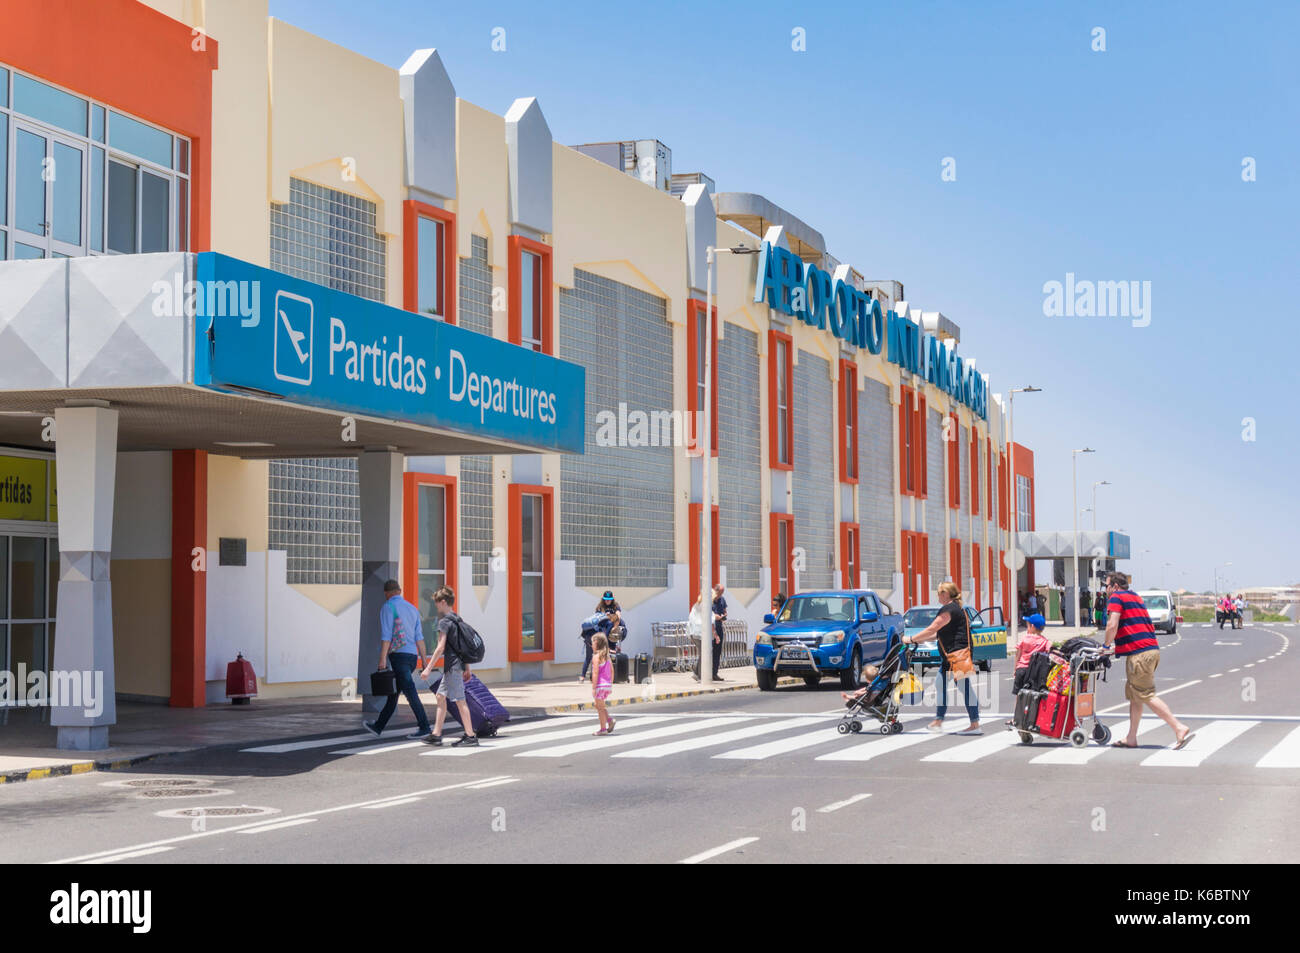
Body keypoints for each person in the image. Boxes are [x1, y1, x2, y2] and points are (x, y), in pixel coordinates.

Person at [1102, 572, 1192, 750]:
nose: (1106, 589)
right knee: (1136, 696)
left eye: (1107, 585)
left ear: (1115, 586)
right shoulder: (1135, 596)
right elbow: (1135, 626)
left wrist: (1105, 646)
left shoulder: (1116, 597)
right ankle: (1131, 738)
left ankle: (1178, 727)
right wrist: (1118, 647)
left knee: (1145, 694)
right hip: (1150, 650)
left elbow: (1112, 625)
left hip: (1140, 655)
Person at [901, 581, 980, 735]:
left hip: (955, 657)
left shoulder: (948, 609)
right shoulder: (957, 609)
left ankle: (974, 724)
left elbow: (932, 627)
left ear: (945, 594)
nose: (937, 596)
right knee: (942, 685)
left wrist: (911, 639)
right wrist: (920, 639)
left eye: (938, 593)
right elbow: (938, 634)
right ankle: (939, 721)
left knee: (964, 689)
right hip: (952, 657)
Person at [366, 579, 432, 740]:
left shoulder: (388, 607)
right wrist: (424, 661)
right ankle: (378, 726)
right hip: (411, 657)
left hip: (398, 656)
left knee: (409, 691)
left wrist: (382, 659)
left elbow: (386, 636)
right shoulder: (412, 609)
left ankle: (424, 726)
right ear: (400, 591)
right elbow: (419, 638)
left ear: (386, 593)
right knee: (394, 693)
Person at [418, 586, 478, 747]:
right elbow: (462, 646)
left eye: (437, 603)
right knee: (440, 696)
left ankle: (470, 736)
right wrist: (467, 668)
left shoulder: (444, 622)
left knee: (460, 700)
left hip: (452, 667)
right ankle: (436, 734)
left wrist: (428, 668)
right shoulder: (457, 619)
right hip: (456, 666)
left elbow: (440, 647)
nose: (436, 606)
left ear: (443, 602)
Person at [589, 632, 617, 735]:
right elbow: (612, 671)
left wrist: (593, 687)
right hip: (607, 685)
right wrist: (610, 683)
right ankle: (609, 720)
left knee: (600, 708)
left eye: (592, 643)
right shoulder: (607, 656)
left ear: (597, 643)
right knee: (599, 705)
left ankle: (603, 729)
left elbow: (595, 673)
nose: (591, 645)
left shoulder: (596, 657)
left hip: (599, 685)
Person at [710, 584, 728, 680]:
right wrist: (715, 616)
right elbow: (709, 614)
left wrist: (724, 615)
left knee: (717, 651)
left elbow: (725, 611)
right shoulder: (710, 600)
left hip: (719, 626)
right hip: (710, 628)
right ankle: (702, 672)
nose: (720, 595)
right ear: (716, 591)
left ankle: (714, 673)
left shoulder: (722, 600)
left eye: (722, 593)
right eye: (720, 593)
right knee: (709, 651)